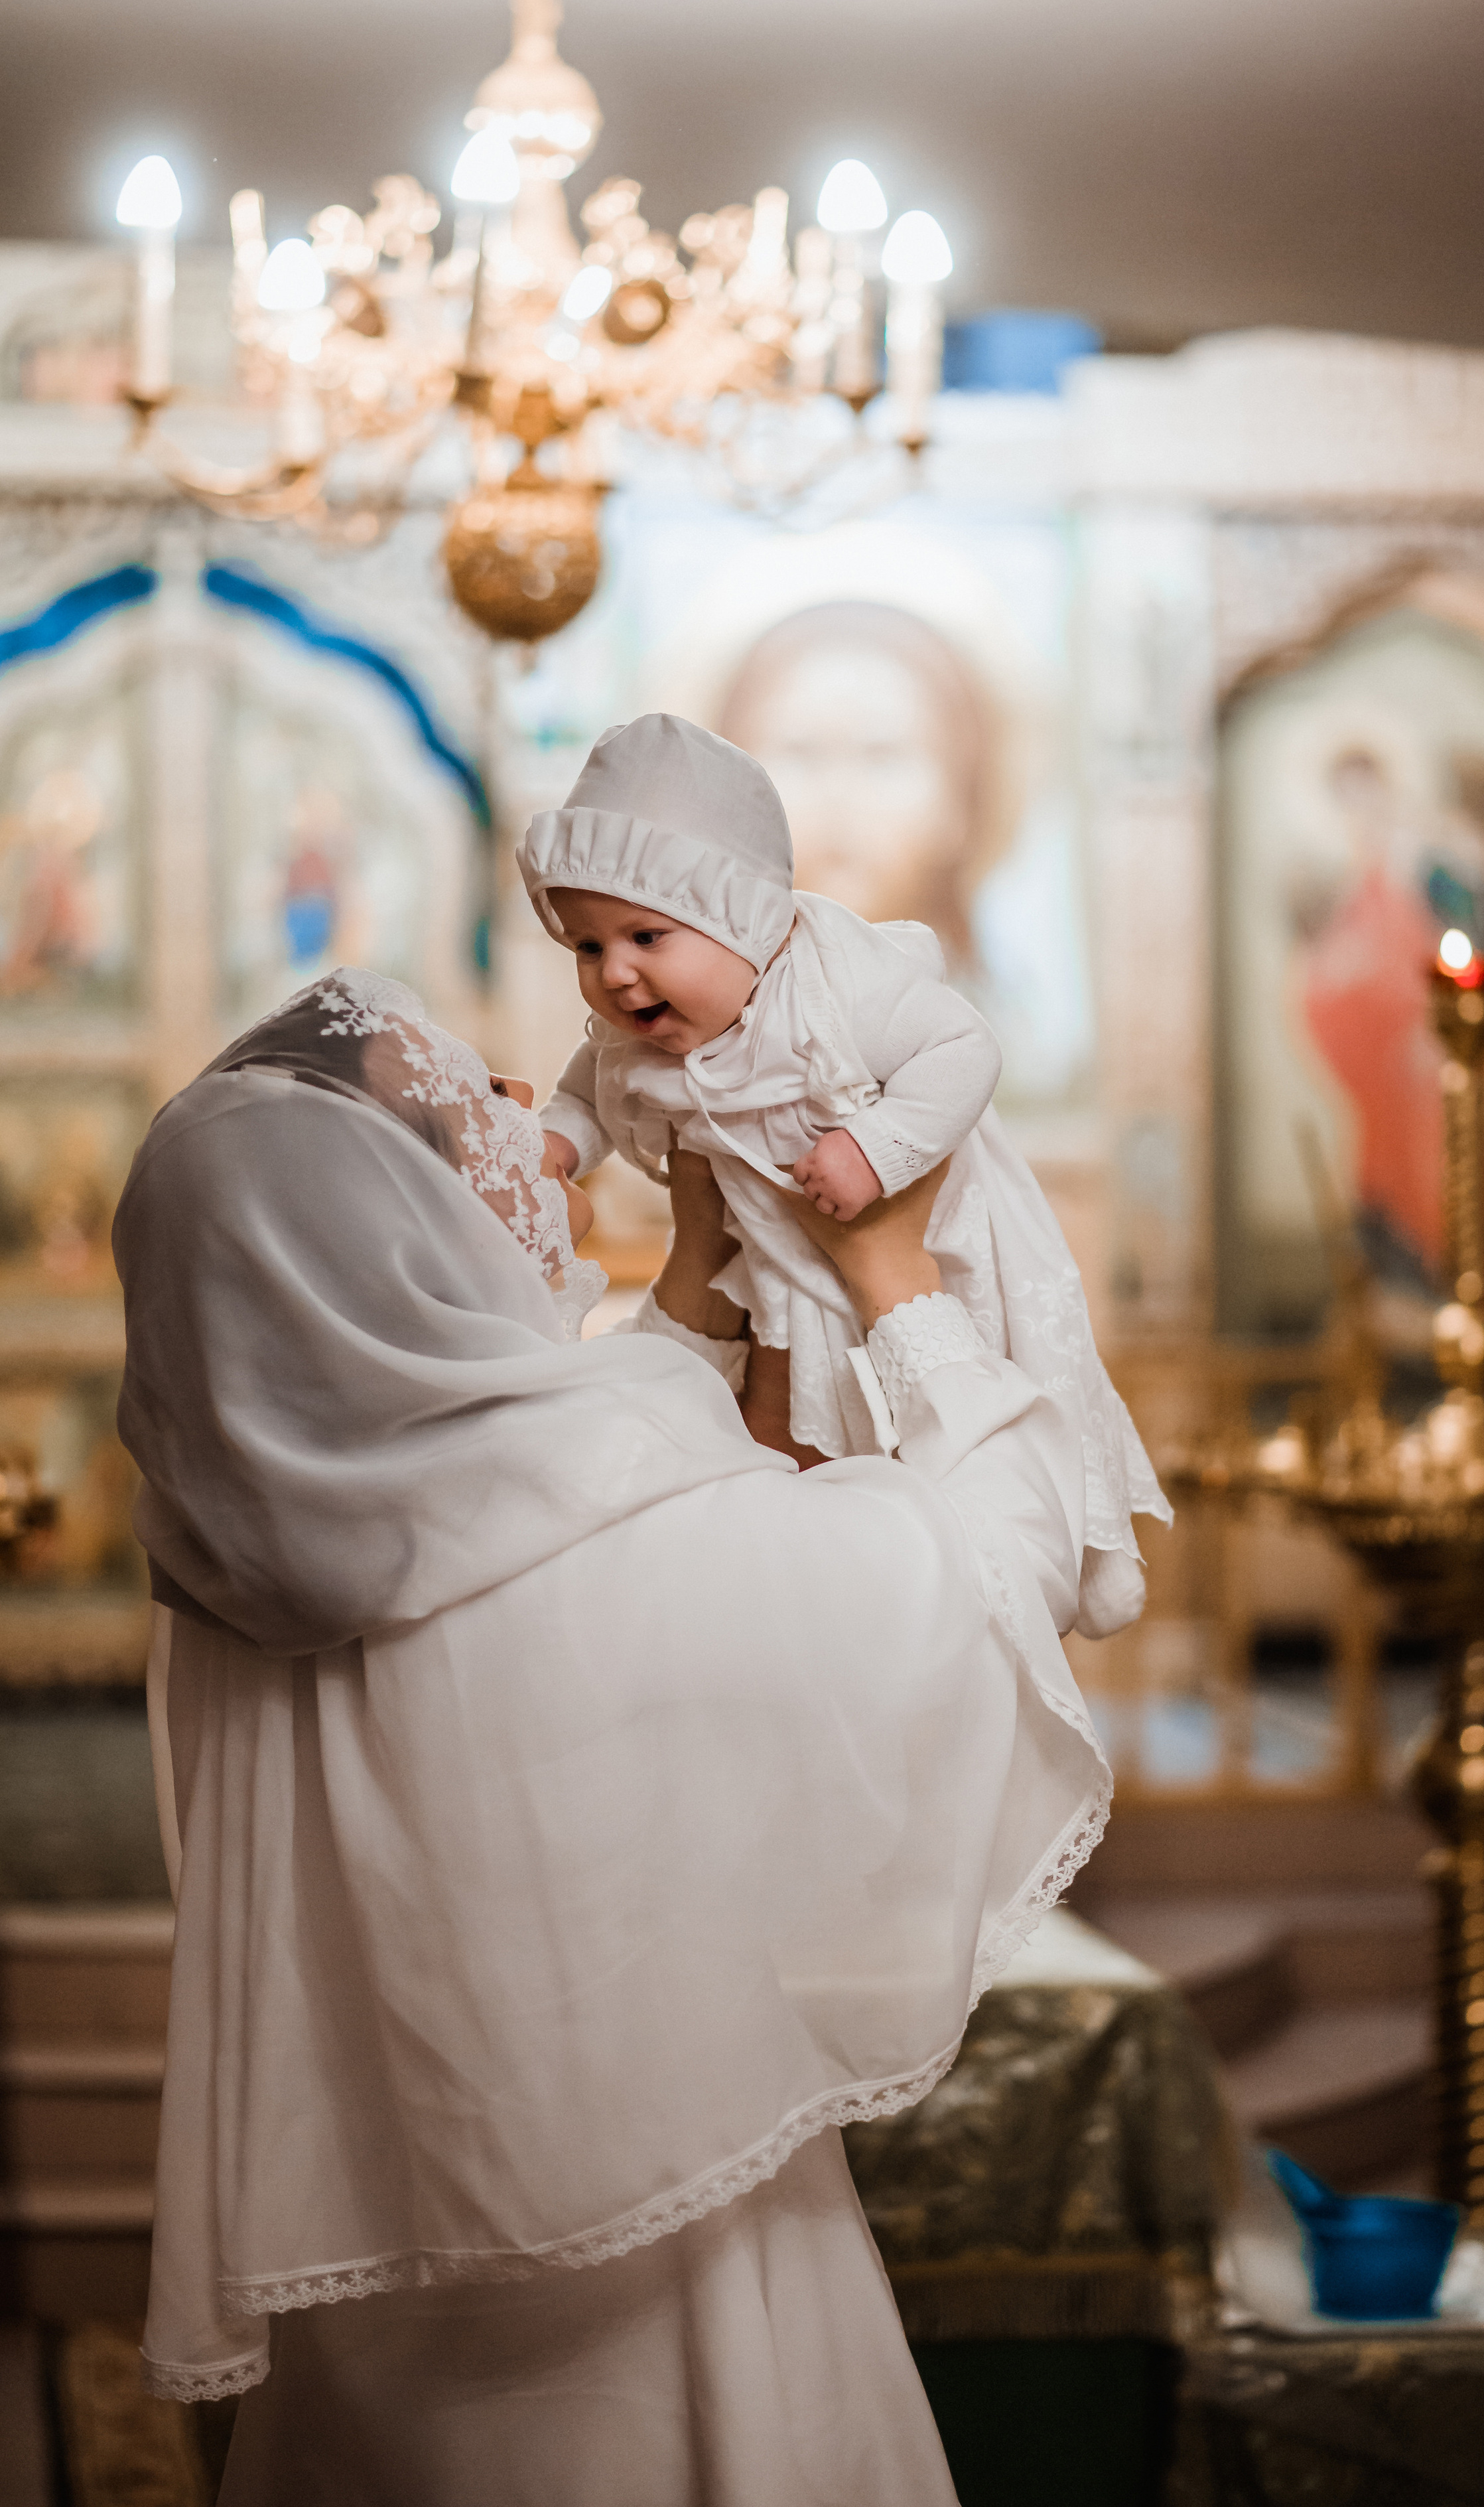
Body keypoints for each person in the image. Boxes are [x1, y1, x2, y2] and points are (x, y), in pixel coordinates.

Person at [117, 966, 1113, 2505]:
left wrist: (702, 1274)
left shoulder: (249, 1540)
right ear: (396, 1230)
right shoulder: (583, 1548)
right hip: (672, 2358)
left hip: (384, 2361)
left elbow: (575, 1468)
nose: (524, 1113)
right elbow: (998, 1569)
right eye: (457, 1110)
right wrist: (893, 1278)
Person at [520, 711, 1168, 1639]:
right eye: (587, 947)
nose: (616, 975)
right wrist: (561, 1146)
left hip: (907, 1231)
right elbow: (590, 1090)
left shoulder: (835, 982)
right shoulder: (645, 1035)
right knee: (790, 1425)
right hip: (771, 1255)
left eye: (646, 937)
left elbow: (960, 1046)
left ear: (743, 917)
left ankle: (1081, 1552)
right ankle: (827, 1581)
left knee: (969, 1384)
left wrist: (877, 1147)